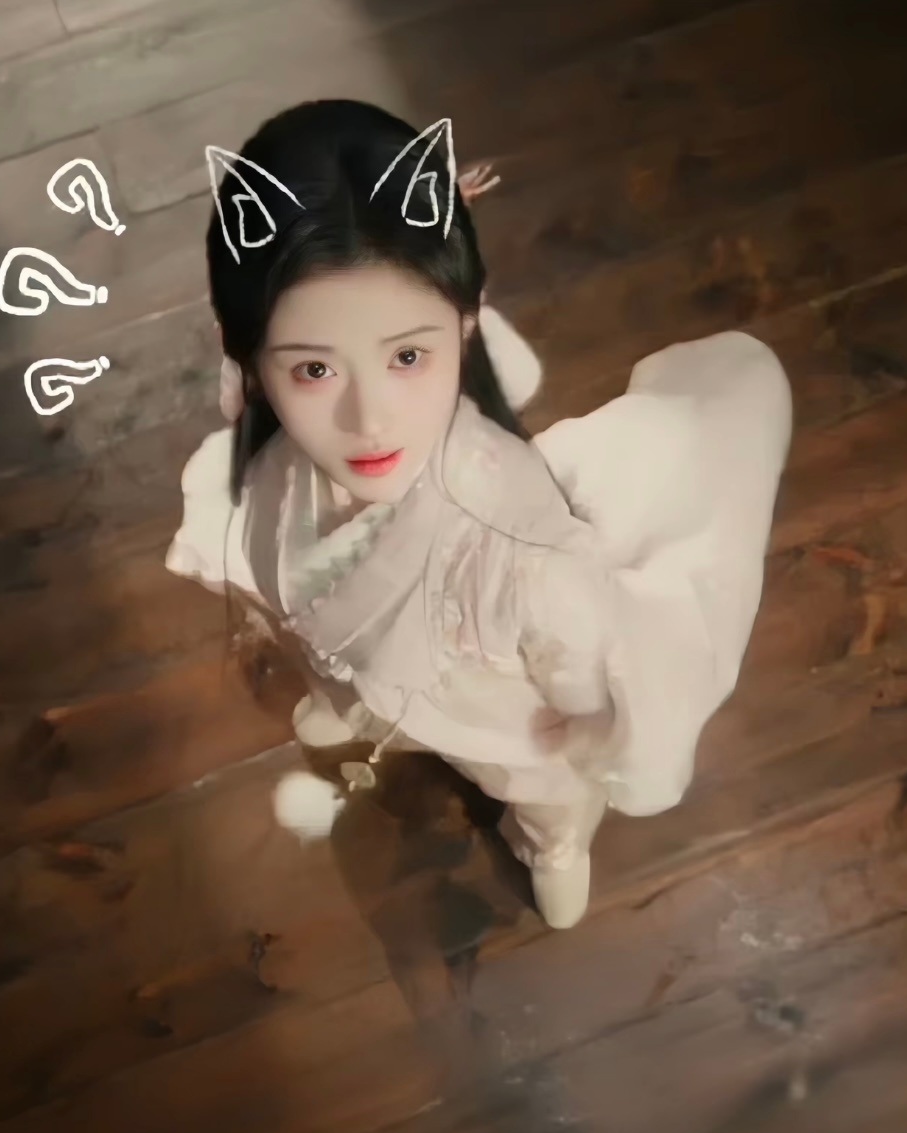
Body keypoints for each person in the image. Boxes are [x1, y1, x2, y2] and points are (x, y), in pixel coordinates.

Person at [166, 100, 792, 929]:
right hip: (346, 642)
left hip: (489, 713)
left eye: (407, 355)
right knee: (325, 657)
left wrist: (585, 743)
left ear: (464, 324)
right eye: (313, 370)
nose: (370, 421)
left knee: (537, 784)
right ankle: (349, 701)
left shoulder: (528, 561)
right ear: (246, 354)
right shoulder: (269, 444)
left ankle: (553, 844)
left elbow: (584, 710)